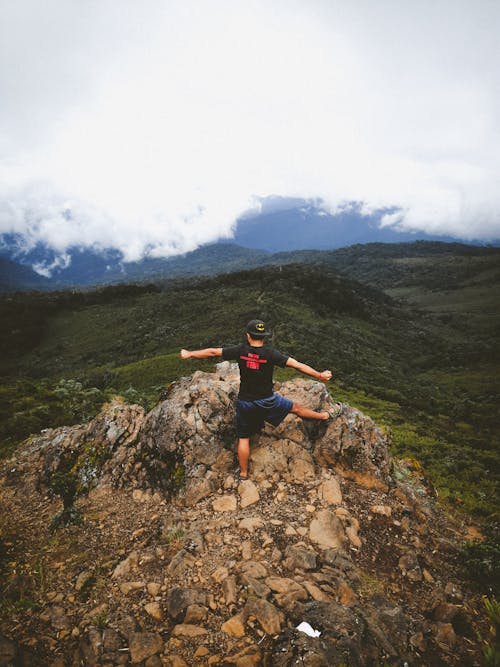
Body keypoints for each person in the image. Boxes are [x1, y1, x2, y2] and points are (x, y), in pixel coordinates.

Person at [180, 319, 333, 480]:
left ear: (248, 336)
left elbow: (213, 352)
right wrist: (319, 375)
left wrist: (189, 353)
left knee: (243, 438)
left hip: (245, 403)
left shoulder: (240, 351)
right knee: (296, 408)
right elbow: (297, 365)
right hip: (268, 400)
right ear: (264, 337)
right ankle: (323, 416)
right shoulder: (271, 354)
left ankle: (244, 474)